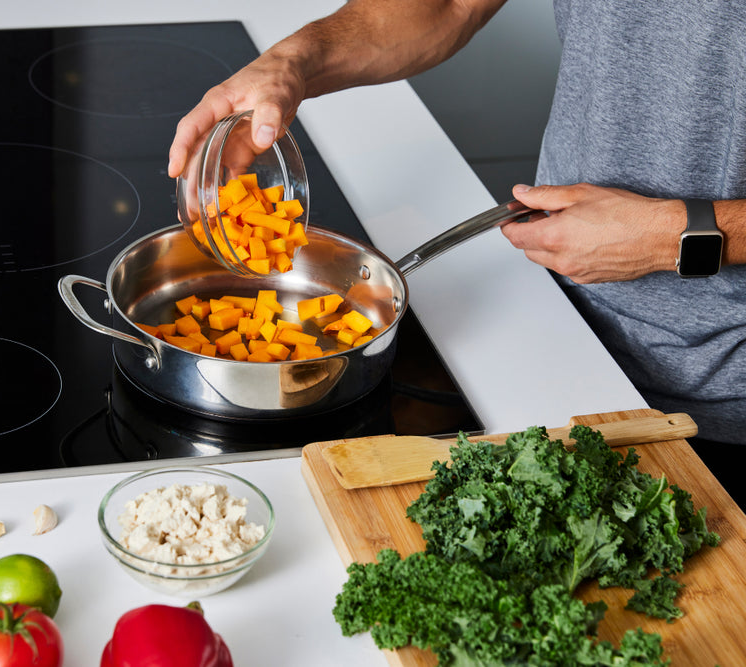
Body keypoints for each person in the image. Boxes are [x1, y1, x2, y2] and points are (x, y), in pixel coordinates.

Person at [168, 0, 746, 491]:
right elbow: (448, 6)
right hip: (558, 323)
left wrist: (674, 234)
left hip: (724, 402)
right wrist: (293, 61)